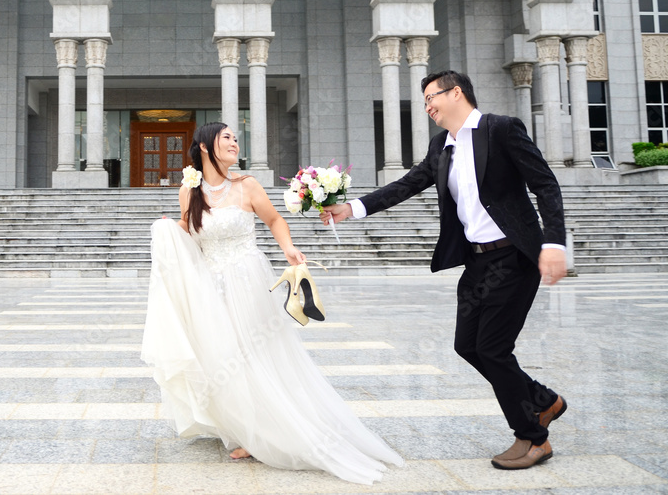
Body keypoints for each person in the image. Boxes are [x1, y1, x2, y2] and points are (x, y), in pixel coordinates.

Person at [321, 70, 568, 471]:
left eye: (431, 98)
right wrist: (352, 208)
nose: (428, 107)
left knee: (493, 348)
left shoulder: (501, 129)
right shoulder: (442, 146)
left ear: (456, 93)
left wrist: (554, 243)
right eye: (424, 102)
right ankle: (543, 401)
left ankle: (534, 437)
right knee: (467, 345)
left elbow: (546, 184)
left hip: (514, 256)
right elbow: (407, 184)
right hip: (477, 260)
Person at [141, 121, 404, 484]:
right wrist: (167, 230)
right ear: (204, 147)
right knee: (222, 356)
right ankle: (241, 426)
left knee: (253, 353)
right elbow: (188, 236)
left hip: (246, 278)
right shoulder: (190, 191)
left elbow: (274, 218)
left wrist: (289, 248)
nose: (235, 142)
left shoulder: (247, 185)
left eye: (236, 137)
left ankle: (263, 430)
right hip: (209, 284)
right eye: (226, 138)